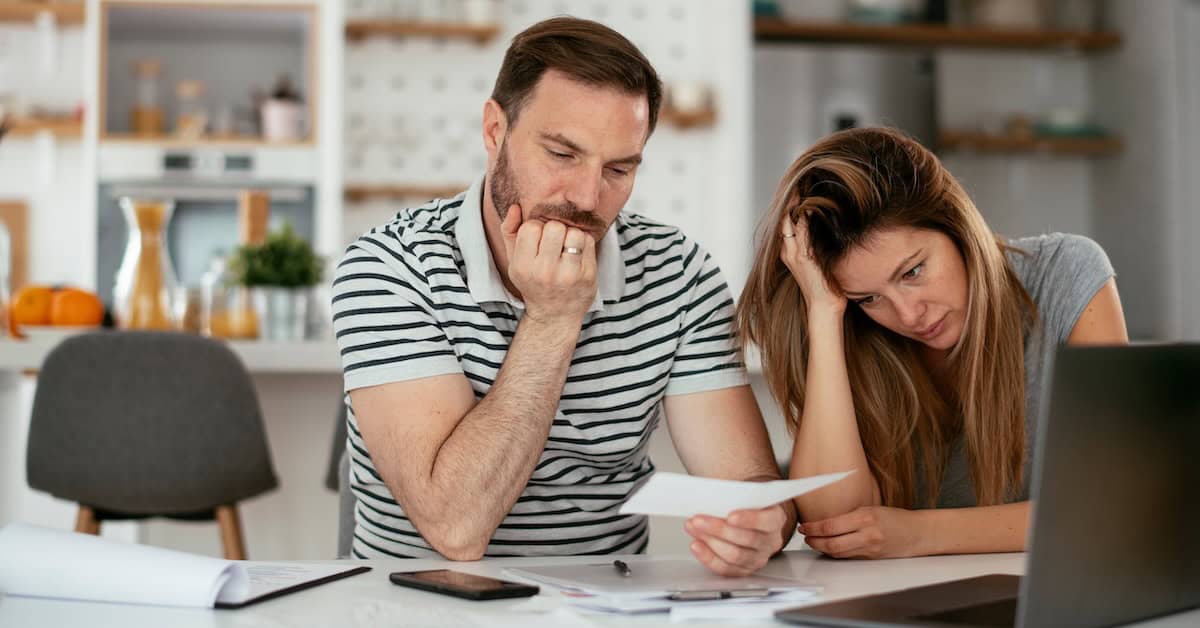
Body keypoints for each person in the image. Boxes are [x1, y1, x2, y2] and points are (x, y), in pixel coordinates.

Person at [331, 16, 795, 575]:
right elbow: (455, 526)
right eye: (561, 154)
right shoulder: (386, 267)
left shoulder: (680, 273)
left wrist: (762, 522)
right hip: (421, 603)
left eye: (619, 169)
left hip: (608, 604)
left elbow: (744, 482)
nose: (586, 197)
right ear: (494, 130)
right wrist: (552, 319)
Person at [736, 126, 1129, 559]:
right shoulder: (852, 329)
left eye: (913, 272)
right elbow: (838, 523)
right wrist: (824, 311)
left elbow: (1108, 507)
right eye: (869, 297)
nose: (907, 315)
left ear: (955, 224)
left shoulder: (1065, 276)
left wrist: (920, 534)